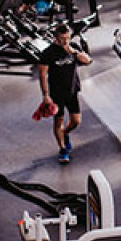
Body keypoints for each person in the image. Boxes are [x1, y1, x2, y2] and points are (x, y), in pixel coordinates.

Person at [38, 25, 92, 164]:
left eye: (68, 37)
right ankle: (63, 149)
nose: (65, 41)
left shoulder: (73, 47)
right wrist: (45, 95)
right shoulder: (48, 53)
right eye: (62, 38)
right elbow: (42, 75)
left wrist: (73, 52)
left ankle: (65, 133)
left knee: (76, 122)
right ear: (56, 37)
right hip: (57, 93)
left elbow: (87, 61)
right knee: (58, 121)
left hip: (72, 90)